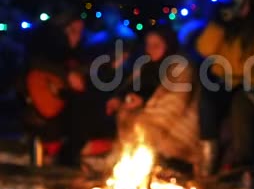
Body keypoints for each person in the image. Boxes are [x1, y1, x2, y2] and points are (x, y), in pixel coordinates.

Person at [195, 0, 254, 180]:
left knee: (239, 103)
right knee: (207, 100)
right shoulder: (227, 28)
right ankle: (209, 158)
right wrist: (217, 25)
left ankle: (243, 161)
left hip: (249, 82)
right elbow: (204, 49)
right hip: (223, 81)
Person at [23, 12, 116, 167]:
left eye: (80, 32)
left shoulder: (78, 55)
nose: (77, 37)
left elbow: (86, 77)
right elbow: (35, 66)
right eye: (73, 31)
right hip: (48, 110)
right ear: (61, 31)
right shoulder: (44, 50)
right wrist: (67, 75)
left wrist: (109, 69)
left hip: (66, 108)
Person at [107, 25, 201, 170]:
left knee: (140, 129)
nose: (151, 49)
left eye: (156, 45)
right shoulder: (146, 66)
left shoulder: (180, 68)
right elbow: (130, 88)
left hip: (173, 134)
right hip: (147, 126)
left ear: (168, 45)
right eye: (149, 45)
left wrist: (143, 104)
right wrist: (120, 99)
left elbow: (173, 105)